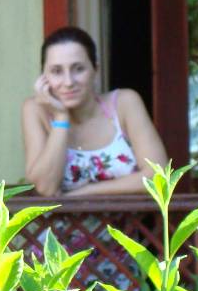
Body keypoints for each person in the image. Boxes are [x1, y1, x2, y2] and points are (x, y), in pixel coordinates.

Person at [22, 26, 169, 198]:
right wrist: (61, 118)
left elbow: (158, 176)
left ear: (95, 70)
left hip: (126, 217)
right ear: (43, 77)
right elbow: (45, 188)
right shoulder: (35, 110)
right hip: (62, 217)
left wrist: (82, 194)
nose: (68, 82)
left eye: (78, 69)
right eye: (57, 71)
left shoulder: (124, 103)